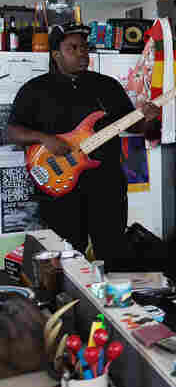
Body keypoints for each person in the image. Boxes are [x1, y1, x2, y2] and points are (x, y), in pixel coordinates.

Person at [7, 23, 161, 263]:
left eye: (85, 48)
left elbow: (133, 126)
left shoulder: (107, 86)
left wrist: (148, 119)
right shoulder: (35, 89)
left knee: (113, 254)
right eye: (73, 48)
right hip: (60, 189)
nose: (82, 53)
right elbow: (12, 132)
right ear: (56, 54)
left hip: (107, 187)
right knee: (66, 259)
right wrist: (45, 139)